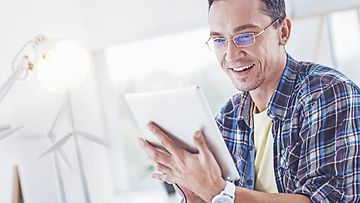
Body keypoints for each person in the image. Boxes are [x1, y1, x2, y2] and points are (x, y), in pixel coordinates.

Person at [139, 0, 360, 202]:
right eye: (219, 40)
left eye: (245, 36)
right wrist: (194, 191)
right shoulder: (229, 116)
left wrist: (219, 192)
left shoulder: (328, 94)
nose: (231, 55)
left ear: (283, 31)